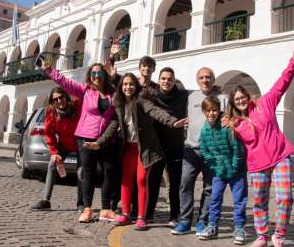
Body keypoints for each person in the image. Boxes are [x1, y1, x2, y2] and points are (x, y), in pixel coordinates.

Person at [84, 73, 187, 230]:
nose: (128, 87)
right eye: (125, 84)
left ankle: (141, 216)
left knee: (141, 180)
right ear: (121, 87)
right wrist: (99, 143)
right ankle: (125, 213)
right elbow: (113, 125)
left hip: (144, 148)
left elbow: (155, 111)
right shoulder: (119, 104)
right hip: (128, 148)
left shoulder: (141, 101)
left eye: (131, 84)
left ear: (136, 86)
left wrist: (172, 122)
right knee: (126, 181)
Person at [223, 47, 294, 247]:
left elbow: (281, 85)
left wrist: (292, 64)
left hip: (281, 156)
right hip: (257, 165)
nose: (240, 100)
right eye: (236, 99)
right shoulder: (233, 124)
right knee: (259, 201)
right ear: (233, 102)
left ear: (248, 96)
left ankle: (279, 234)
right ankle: (262, 236)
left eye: (242, 97)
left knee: (285, 198)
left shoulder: (265, 103)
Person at [41, 59, 118, 223]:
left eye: (99, 72)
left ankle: (105, 210)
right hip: (85, 137)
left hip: (106, 140)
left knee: (109, 173)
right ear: (90, 76)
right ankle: (87, 208)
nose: (96, 76)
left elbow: (126, 91)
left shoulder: (113, 93)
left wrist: (115, 75)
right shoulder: (85, 91)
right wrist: (48, 69)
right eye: (93, 73)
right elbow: (64, 82)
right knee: (87, 173)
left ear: (104, 75)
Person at [172, 67, 226, 236]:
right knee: (185, 184)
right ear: (197, 80)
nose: (205, 80)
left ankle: (203, 221)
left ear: (213, 79)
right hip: (190, 148)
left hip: (213, 152)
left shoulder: (223, 98)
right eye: (201, 77)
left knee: (209, 188)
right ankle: (185, 221)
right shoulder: (191, 97)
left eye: (208, 77)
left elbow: (230, 118)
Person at [198, 96, 247, 244]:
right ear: (203, 112)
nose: (211, 113)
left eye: (214, 110)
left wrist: (234, 166)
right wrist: (214, 165)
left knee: (239, 200)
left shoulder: (227, 126)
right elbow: (204, 149)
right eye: (208, 111)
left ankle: (239, 229)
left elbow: (237, 148)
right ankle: (212, 226)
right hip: (219, 171)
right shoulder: (205, 130)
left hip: (237, 172)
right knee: (215, 199)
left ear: (219, 110)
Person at [147, 67, 189, 226]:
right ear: (158, 81)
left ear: (174, 80)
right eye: (163, 78)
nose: (166, 81)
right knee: (154, 181)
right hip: (157, 147)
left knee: (175, 183)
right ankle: (149, 212)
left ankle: (174, 215)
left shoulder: (183, 95)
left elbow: (201, 94)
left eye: (170, 79)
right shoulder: (152, 96)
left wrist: (214, 90)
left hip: (176, 146)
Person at [31, 87, 84, 212]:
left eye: (61, 97)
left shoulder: (76, 106)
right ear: (52, 101)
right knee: (52, 164)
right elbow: (49, 133)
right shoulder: (51, 113)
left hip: (80, 143)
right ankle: (46, 200)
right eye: (56, 99)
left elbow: (84, 93)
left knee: (81, 172)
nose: (59, 101)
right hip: (64, 144)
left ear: (66, 97)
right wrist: (54, 152)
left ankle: (81, 202)